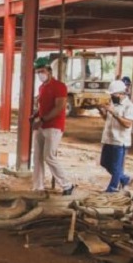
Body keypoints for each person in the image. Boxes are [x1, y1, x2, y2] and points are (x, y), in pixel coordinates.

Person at [31, 57, 74, 195]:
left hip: (54, 127)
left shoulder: (60, 87)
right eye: (38, 72)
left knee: (49, 156)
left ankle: (67, 185)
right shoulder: (42, 87)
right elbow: (43, 106)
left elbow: (59, 108)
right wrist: (35, 115)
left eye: (42, 71)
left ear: (49, 70)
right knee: (37, 157)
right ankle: (38, 187)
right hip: (42, 126)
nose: (40, 74)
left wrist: (42, 119)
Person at [97, 80, 133, 193]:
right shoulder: (113, 104)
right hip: (108, 139)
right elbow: (107, 119)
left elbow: (127, 124)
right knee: (104, 162)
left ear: (121, 93)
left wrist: (114, 113)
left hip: (120, 141)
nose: (111, 97)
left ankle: (112, 189)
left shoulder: (129, 106)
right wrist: (102, 111)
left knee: (116, 166)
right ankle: (124, 179)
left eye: (113, 94)